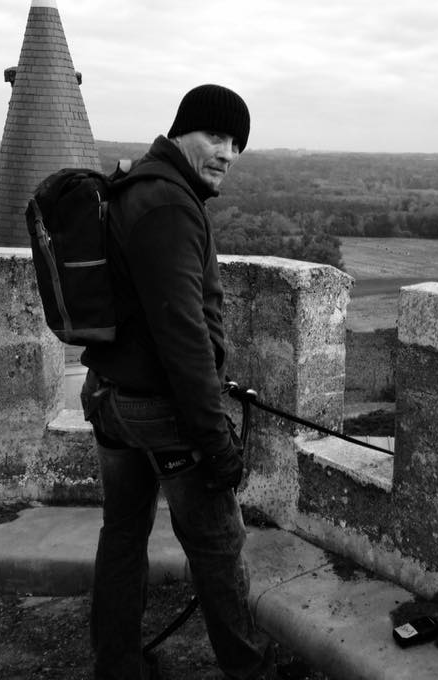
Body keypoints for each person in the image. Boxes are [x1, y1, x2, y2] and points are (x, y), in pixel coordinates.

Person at [79, 84, 273, 680]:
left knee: (123, 532)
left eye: (236, 143)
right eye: (215, 136)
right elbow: (183, 337)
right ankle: (248, 670)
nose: (227, 153)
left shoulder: (138, 185)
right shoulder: (168, 205)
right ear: (182, 131)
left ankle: (118, 665)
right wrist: (216, 441)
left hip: (110, 395)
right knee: (218, 546)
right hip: (159, 410)